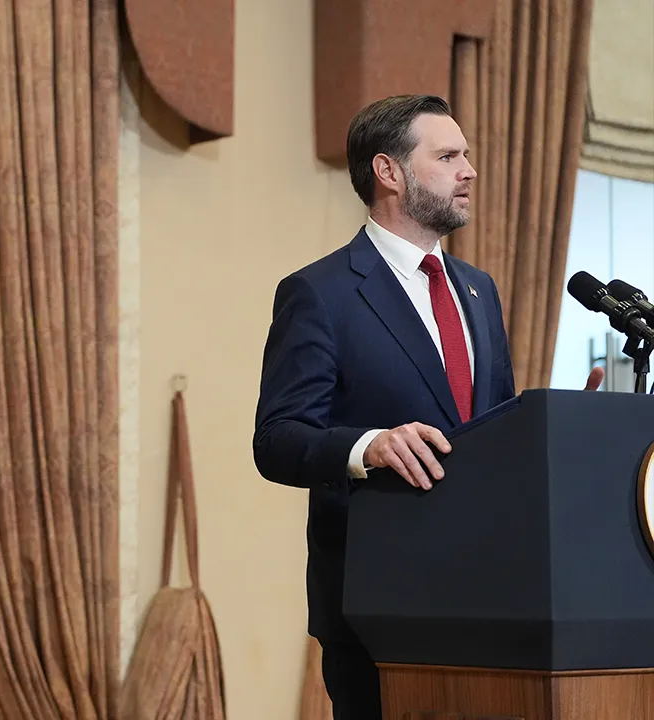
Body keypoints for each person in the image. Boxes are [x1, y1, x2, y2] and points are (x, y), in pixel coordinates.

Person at [252, 94, 603, 719]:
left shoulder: (478, 289)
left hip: (490, 596)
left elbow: (491, 430)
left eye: (465, 154)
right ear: (390, 172)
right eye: (447, 156)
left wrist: (560, 427)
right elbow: (277, 438)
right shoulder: (320, 293)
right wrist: (370, 446)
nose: (469, 169)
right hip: (377, 603)